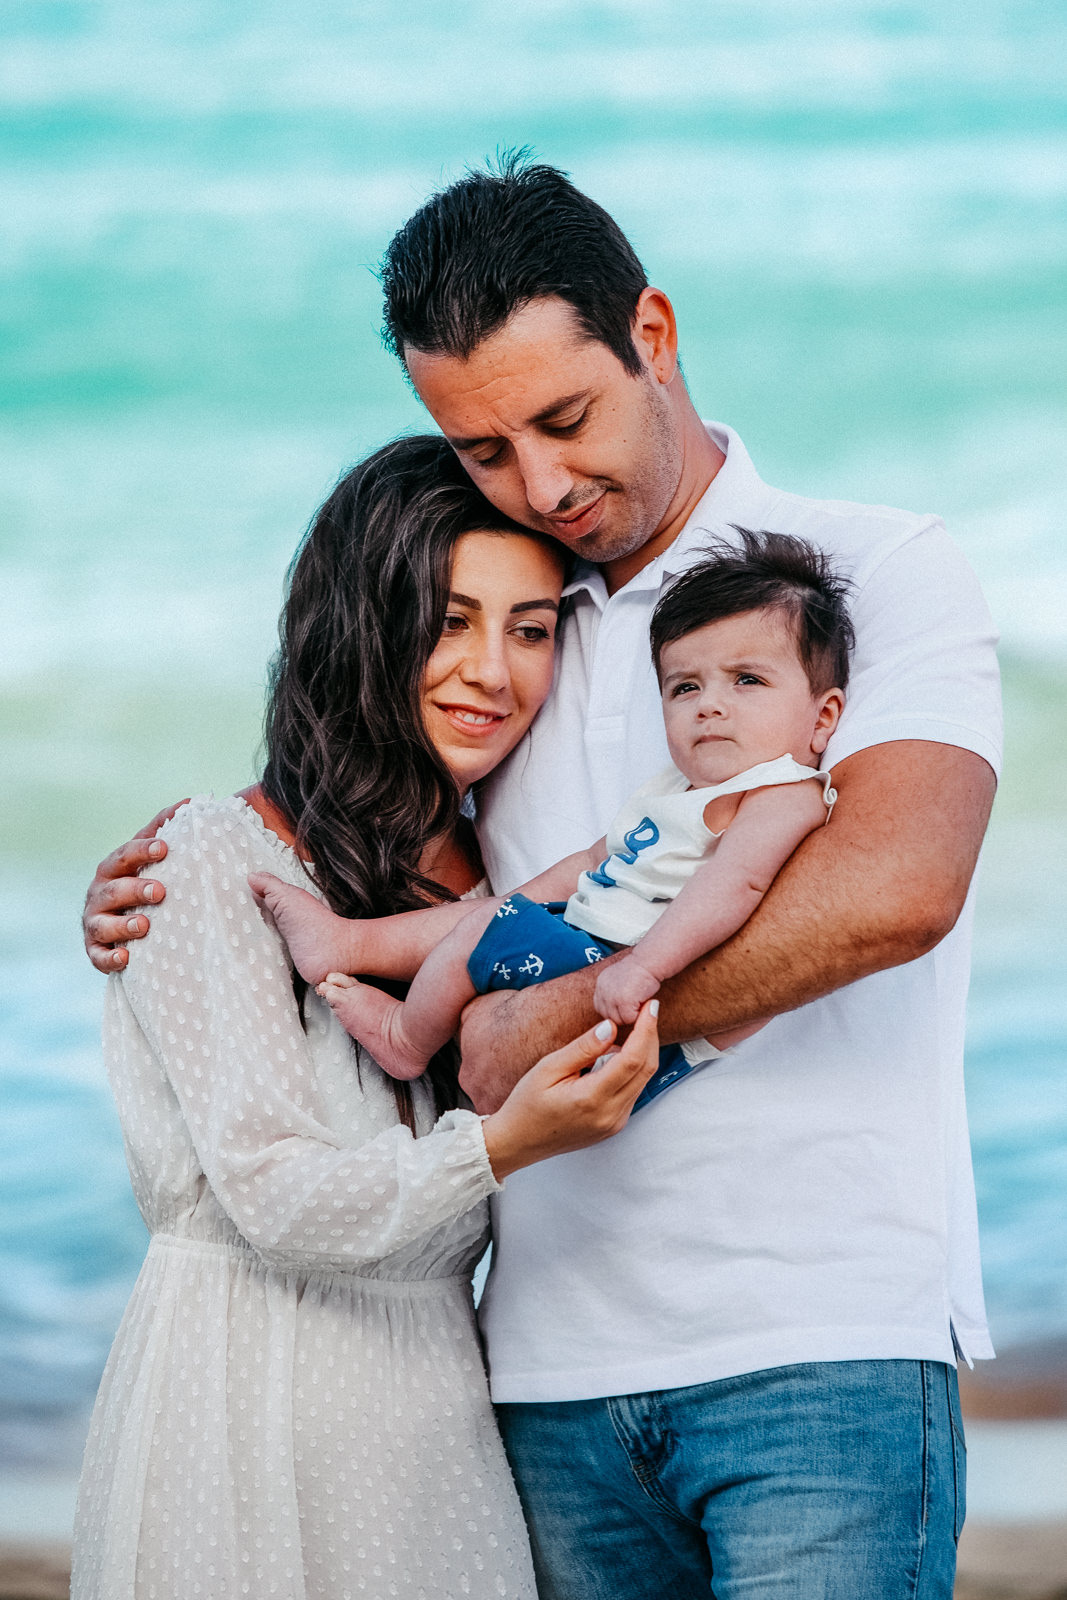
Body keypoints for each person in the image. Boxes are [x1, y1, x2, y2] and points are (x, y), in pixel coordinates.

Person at [84, 157, 1001, 1598]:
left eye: (562, 421)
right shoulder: (520, 618)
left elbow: (892, 891)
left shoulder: (866, 572)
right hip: (537, 1379)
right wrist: (167, 882)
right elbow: (360, 820)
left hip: (815, 1351)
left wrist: (537, 1025)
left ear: (651, 330)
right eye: (484, 450)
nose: (545, 484)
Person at [71, 433, 662, 1600]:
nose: (493, 671)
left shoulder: (502, 882)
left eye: (530, 628)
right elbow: (276, 1192)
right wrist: (507, 1143)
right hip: (238, 1411)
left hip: (437, 1421)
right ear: (360, 620)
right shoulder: (207, 857)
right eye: (449, 619)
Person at [248, 531, 851, 1112]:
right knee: (486, 921)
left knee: (481, 937)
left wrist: (645, 967)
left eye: (748, 680)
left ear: (823, 717)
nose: (710, 704)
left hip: (631, 979)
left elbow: (734, 886)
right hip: (598, 947)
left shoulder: (783, 793)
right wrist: (517, 904)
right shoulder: (682, 789)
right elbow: (594, 861)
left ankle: (403, 1036)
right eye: (684, 687)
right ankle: (349, 944)